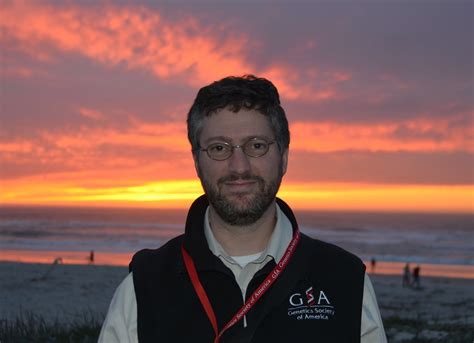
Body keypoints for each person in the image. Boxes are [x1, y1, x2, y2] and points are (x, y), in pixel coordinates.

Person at [99, 75, 386, 342]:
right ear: (197, 162)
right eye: (219, 148)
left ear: (284, 156)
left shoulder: (345, 280)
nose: (239, 167)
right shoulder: (145, 285)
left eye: (257, 145)